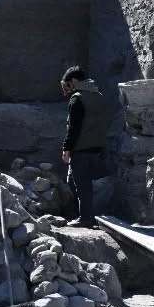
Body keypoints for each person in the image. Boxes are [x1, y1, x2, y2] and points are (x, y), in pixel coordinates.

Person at [60, 66, 108, 228]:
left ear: (74, 81)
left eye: (67, 85)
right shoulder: (99, 96)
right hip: (97, 147)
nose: (65, 90)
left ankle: (86, 218)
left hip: (81, 149)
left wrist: (67, 149)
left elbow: (74, 128)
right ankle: (85, 214)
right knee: (75, 181)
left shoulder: (77, 99)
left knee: (82, 185)